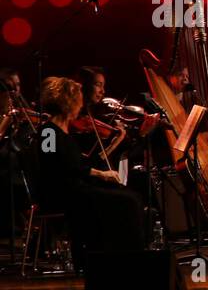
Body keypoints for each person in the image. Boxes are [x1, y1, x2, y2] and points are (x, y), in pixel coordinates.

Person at [34, 76, 144, 262]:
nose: (81, 106)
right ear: (68, 103)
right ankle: (120, 255)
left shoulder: (63, 132)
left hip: (76, 188)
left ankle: (122, 252)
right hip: (61, 193)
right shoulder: (48, 132)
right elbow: (54, 165)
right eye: (78, 101)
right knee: (128, 201)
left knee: (129, 195)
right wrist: (101, 174)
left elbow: (78, 163)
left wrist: (112, 146)